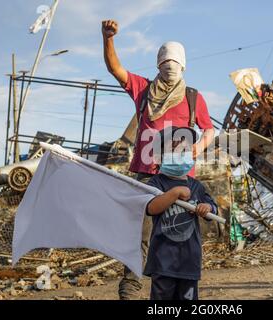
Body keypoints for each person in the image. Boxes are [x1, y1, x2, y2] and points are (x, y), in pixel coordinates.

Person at [101, 19, 215, 299]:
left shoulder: (192, 98)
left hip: (180, 178)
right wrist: (108, 38)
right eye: (165, 63)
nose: (169, 68)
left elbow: (210, 130)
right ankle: (130, 288)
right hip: (148, 178)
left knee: (177, 236)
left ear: (184, 66)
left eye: (174, 64)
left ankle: (172, 291)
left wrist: (197, 149)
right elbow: (115, 69)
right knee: (140, 234)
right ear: (157, 66)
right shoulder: (143, 89)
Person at [145, 126, 218, 300]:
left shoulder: (196, 186)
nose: (180, 153)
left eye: (184, 149)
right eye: (173, 149)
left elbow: (212, 207)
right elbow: (151, 208)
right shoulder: (156, 183)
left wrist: (207, 208)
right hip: (163, 260)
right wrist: (174, 193)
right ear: (159, 156)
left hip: (189, 261)